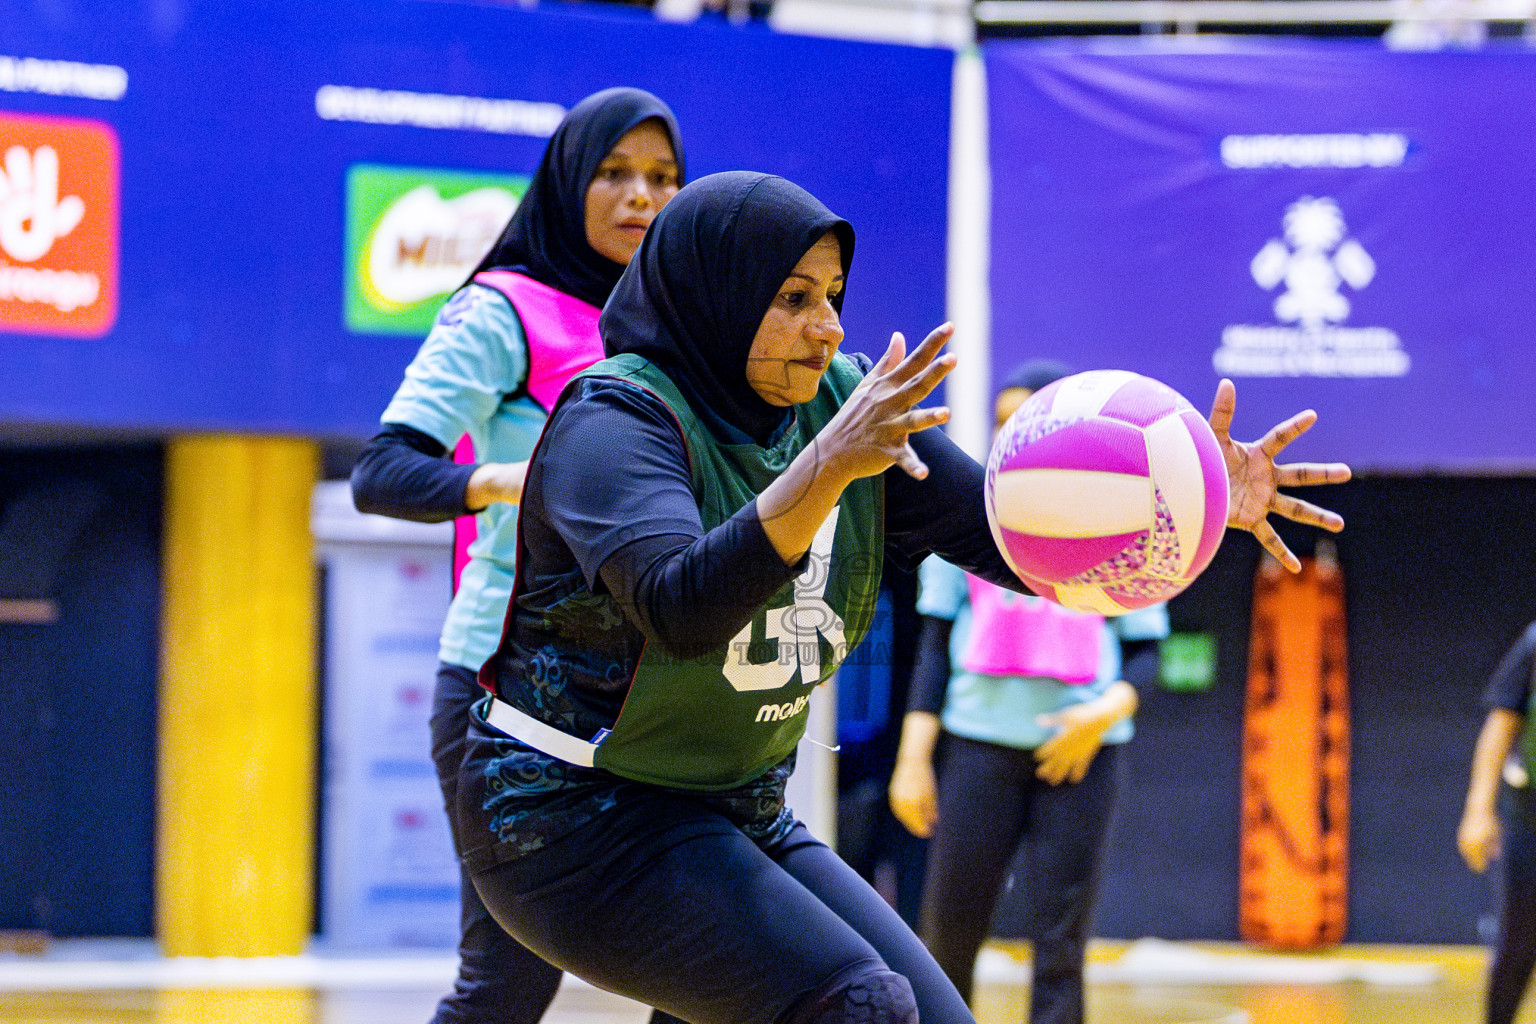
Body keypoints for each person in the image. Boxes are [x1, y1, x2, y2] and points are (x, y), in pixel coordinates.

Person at [451, 170, 1350, 1024]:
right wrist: (827, 467)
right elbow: (680, 609)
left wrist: (1186, 500)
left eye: (834, 296)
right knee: (859, 1005)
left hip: (733, 806)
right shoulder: (615, 419)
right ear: (716, 294)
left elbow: (1011, 538)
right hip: (572, 818)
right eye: (794, 298)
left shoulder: (842, 410)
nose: (828, 327)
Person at [351, 87, 684, 1024]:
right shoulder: (505, 309)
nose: (641, 196)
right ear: (567, 183)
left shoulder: (685, 333)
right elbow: (383, 471)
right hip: (508, 688)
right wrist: (508, 480)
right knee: (508, 983)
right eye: (613, 172)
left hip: (652, 695)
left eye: (663, 177)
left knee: (716, 965)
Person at [886, 358, 1165, 1024]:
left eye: (1026, 419)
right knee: (948, 934)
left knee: (1061, 943)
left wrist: (1100, 717)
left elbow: (1147, 652)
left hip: (1082, 755)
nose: (1009, 432)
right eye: (1001, 420)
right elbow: (934, 648)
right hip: (978, 747)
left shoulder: (1121, 517)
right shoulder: (968, 514)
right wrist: (912, 760)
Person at [1458, 619, 1536, 1024]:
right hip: (1530, 816)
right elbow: (1502, 722)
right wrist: (1478, 811)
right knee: (1518, 943)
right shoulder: (1535, 642)